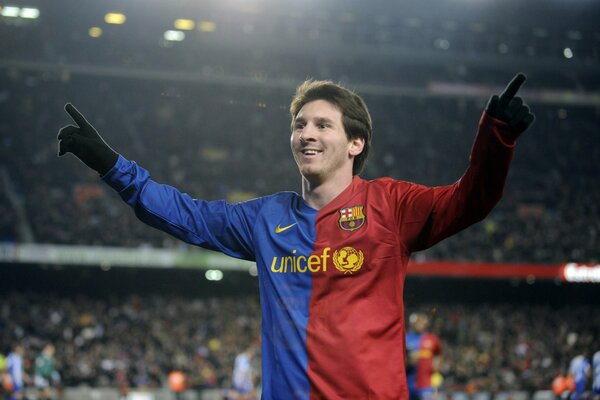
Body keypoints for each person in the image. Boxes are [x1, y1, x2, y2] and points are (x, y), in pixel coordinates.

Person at [57, 74, 535, 399]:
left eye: (322, 124)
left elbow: (470, 200)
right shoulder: (266, 219)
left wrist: (496, 138)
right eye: (299, 123)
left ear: (355, 143)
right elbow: (185, 214)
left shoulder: (390, 205)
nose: (306, 133)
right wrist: (112, 166)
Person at [406, 312, 442, 400]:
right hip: (408, 382)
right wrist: (408, 362)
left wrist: (436, 366)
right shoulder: (405, 338)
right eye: (418, 322)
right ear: (412, 323)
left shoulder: (432, 339)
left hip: (426, 384)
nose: (421, 324)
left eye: (423, 322)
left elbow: (438, 353)